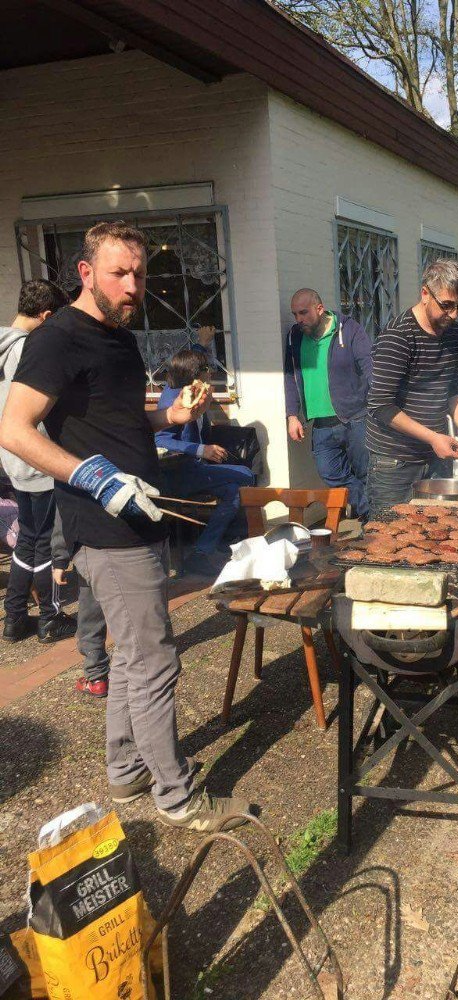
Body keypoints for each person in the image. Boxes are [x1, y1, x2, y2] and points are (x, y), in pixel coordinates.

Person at [0, 220, 256, 831]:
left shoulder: (116, 336)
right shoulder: (58, 339)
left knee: (133, 657)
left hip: (140, 518)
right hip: (106, 527)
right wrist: (94, 477)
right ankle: (178, 796)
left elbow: (115, 416)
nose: (132, 285)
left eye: (139, 274)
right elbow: (14, 429)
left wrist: (167, 412)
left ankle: (125, 772)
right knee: (155, 660)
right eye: (119, 272)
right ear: (86, 272)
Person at [366, 259, 458, 509]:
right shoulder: (397, 337)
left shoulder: (454, 333)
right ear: (425, 293)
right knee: (388, 540)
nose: (454, 314)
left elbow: (453, 388)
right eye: (447, 305)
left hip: (434, 458)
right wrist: (432, 437)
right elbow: (380, 405)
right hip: (393, 464)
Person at [0, 280, 77, 643]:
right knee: (45, 540)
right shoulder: (28, 350)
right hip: (38, 459)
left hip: (13, 459)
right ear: (46, 316)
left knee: (28, 539)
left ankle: (14, 618)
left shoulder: (2, 346)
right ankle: (50, 618)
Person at [156, 349, 256, 577]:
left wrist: (203, 343)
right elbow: (159, 438)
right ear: (195, 373)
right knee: (245, 475)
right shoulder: (174, 398)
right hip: (178, 474)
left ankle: (204, 552)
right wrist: (202, 450)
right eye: (207, 368)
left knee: (233, 491)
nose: (211, 372)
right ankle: (232, 539)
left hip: (195, 469)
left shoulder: (195, 391)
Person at [284, 288, 372, 518]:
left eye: (303, 313)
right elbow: (289, 376)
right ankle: (369, 513)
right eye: (295, 314)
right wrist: (292, 414)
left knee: (365, 473)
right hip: (321, 422)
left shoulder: (349, 330)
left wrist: (374, 405)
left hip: (355, 417)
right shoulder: (295, 336)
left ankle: (370, 523)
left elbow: (369, 367)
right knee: (330, 472)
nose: (298, 319)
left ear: (319, 309)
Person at [51, 508, 110, 698]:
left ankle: (97, 677)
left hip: (91, 550)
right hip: (134, 549)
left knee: (91, 616)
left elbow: (64, 514)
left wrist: (60, 559)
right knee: (137, 614)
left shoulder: (74, 477)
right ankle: (143, 666)